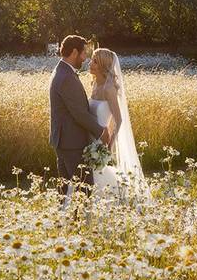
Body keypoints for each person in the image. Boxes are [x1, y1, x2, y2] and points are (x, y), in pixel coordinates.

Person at [48, 35, 110, 209]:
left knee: (65, 190)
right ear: (74, 52)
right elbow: (79, 113)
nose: (85, 58)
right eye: (83, 53)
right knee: (84, 189)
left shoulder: (61, 71)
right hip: (72, 143)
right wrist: (101, 131)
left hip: (64, 141)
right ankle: (79, 225)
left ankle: (65, 222)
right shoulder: (66, 76)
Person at [87, 47, 151, 203]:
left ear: (103, 66)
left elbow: (119, 119)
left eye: (95, 61)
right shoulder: (95, 85)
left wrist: (110, 143)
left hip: (100, 141)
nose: (90, 63)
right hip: (88, 137)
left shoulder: (109, 89)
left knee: (98, 175)